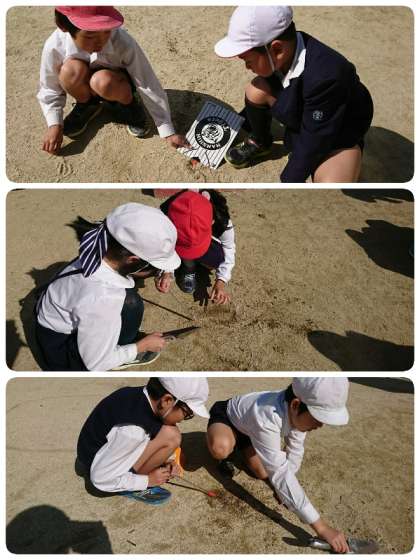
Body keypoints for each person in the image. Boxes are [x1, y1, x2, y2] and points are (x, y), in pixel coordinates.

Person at [215, 6, 374, 183]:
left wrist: (288, 180)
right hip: (306, 108)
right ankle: (260, 141)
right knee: (256, 90)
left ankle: (349, 155)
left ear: (277, 50)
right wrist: (226, 127)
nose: (247, 67)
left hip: (336, 129)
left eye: (248, 60)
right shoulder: (289, 47)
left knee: (332, 182)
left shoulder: (327, 77)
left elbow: (315, 140)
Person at [207, 377, 351, 553]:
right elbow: (280, 473)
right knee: (221, 448)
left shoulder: (296, 413)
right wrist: (322, 528)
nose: (320, 424)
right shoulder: (267, 417)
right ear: (295, 405)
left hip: (251, 430)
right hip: (229, 417)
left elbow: (294, 452)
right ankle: (228, 445)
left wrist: (282, 489)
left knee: (262, 473)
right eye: (318, 417)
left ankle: (245, 444)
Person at [35, 203, 180, 371]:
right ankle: (121, 350)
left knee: (130, 300)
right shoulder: (104, 297)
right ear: (133, 260)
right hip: (60, 349)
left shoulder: (98, 247)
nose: (155, 271)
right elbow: (96, 363)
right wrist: (141, 346)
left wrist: (165, 271)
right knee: (131, 304)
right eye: (154, 267)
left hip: (49, 319)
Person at [38, 6, 189, 154]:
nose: (100, 41)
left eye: (106, 30)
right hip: (84, 81)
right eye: (90, 36)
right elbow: (49, 87)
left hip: (116, 82)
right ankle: (88, 104)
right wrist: (54, 124)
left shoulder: (121, 40)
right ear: (64, 26)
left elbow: (146, 80)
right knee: (69, 71)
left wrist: (166, 128)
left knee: (103, 81)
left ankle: (129, 105)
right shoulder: (54, 45)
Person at [77, 377, 209, 504]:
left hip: (101, 451)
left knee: (171, 433)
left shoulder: (144, 397)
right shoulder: (133, 431)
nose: (183, 419)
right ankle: (129, 483)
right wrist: (147, 480)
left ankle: (135, 472)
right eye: (187, 413)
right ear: (167, 400)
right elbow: (100, 478)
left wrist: (167, 459)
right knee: (171, 437)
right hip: (99, 465)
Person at [159, 190, 235, 304]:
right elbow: (164, 244)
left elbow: (229, 248)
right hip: (174, 241)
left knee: (217, 257)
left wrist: (221, 280)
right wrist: (167, 271)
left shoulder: (221, 220)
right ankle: (188, 267)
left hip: (205, 241)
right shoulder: (165, 214)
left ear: (212, 221)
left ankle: (191, 262)